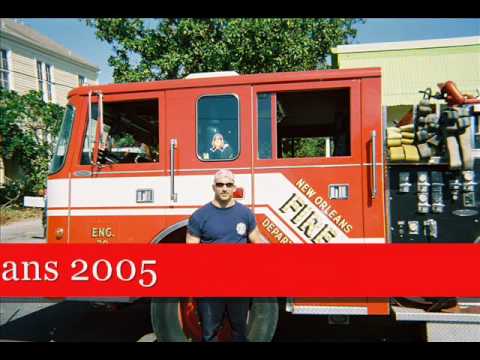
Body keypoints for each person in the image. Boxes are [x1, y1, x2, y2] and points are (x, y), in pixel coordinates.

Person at [186, 169, 264, 342]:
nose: (224, 188)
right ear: (213, 187)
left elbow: (257, 242)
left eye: (228, 185)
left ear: (234, 187)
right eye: (220, 184)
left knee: (239, 332)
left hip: (239, 283)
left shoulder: (245, 214)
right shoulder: (200, 216)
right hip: (210, 284)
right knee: (210, 334)